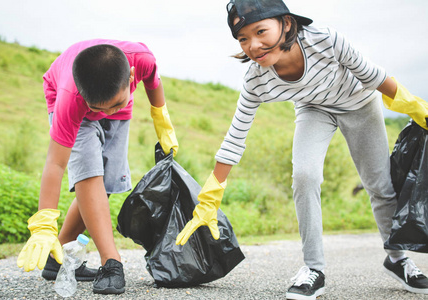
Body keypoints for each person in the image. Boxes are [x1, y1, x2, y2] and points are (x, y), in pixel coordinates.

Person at [175, 0, 428, 299]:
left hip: (360, 103)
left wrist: (416, 108)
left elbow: (373, 76)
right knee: (305, 176)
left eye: (260, 31)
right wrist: (210, 196)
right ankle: (313, 269)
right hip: (313, 109)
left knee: (380, 186)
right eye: (243, 38)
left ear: (286, 22)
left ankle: (398, 259)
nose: (254, 45)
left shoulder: (325, 40)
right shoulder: (256, 80)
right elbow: (235, 136)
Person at [16, 39, 179, 295]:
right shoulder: (71, 99)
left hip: (112, 104)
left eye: (115, 103)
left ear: (131, 77)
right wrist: (43, 223)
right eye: (98, 109)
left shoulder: (142, 60)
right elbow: (56, 163)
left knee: (110, 182)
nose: (105, 113)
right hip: (72, 105)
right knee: (90, 175)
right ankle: (111, 262)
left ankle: (58, 258)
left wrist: (161, 119)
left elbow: (154, 83)